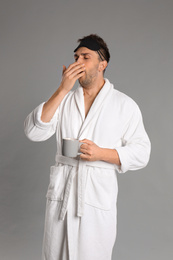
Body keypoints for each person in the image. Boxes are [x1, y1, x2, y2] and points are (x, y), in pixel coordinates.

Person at [24, 34, 151, 260]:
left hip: (95, 199)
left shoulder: (124, 105)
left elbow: (142, 153)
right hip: (62, 195)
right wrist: (62, 90)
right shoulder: (63, 100)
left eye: (85, 57)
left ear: (102, 64)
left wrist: (102, 153)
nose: (77, 62)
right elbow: (33, 132)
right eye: (75, 57)